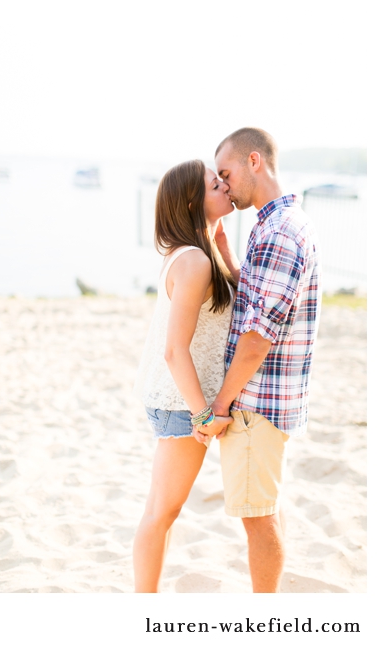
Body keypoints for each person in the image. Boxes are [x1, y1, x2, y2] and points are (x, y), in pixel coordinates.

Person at [212, 127, 321, 593]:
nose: (224, 184)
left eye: (226, 172)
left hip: (256, 403)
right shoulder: (276, 223)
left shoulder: (279, 232)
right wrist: (225, 255)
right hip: (265, 400)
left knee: (257, 518)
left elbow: (257, 339)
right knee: (263, 509)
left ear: (254, 161)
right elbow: (261, 302)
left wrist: (220, 404)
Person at [132, 159, 237, 592]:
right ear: (195, 201)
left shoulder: (198, 250)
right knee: (161, 511)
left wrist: (222, 241)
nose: (226, 186)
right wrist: (201, 415)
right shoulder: (193, 261)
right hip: (181, 400)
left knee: (164, 510)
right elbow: (175, 350)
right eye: (217, 184)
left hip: (175, 393)